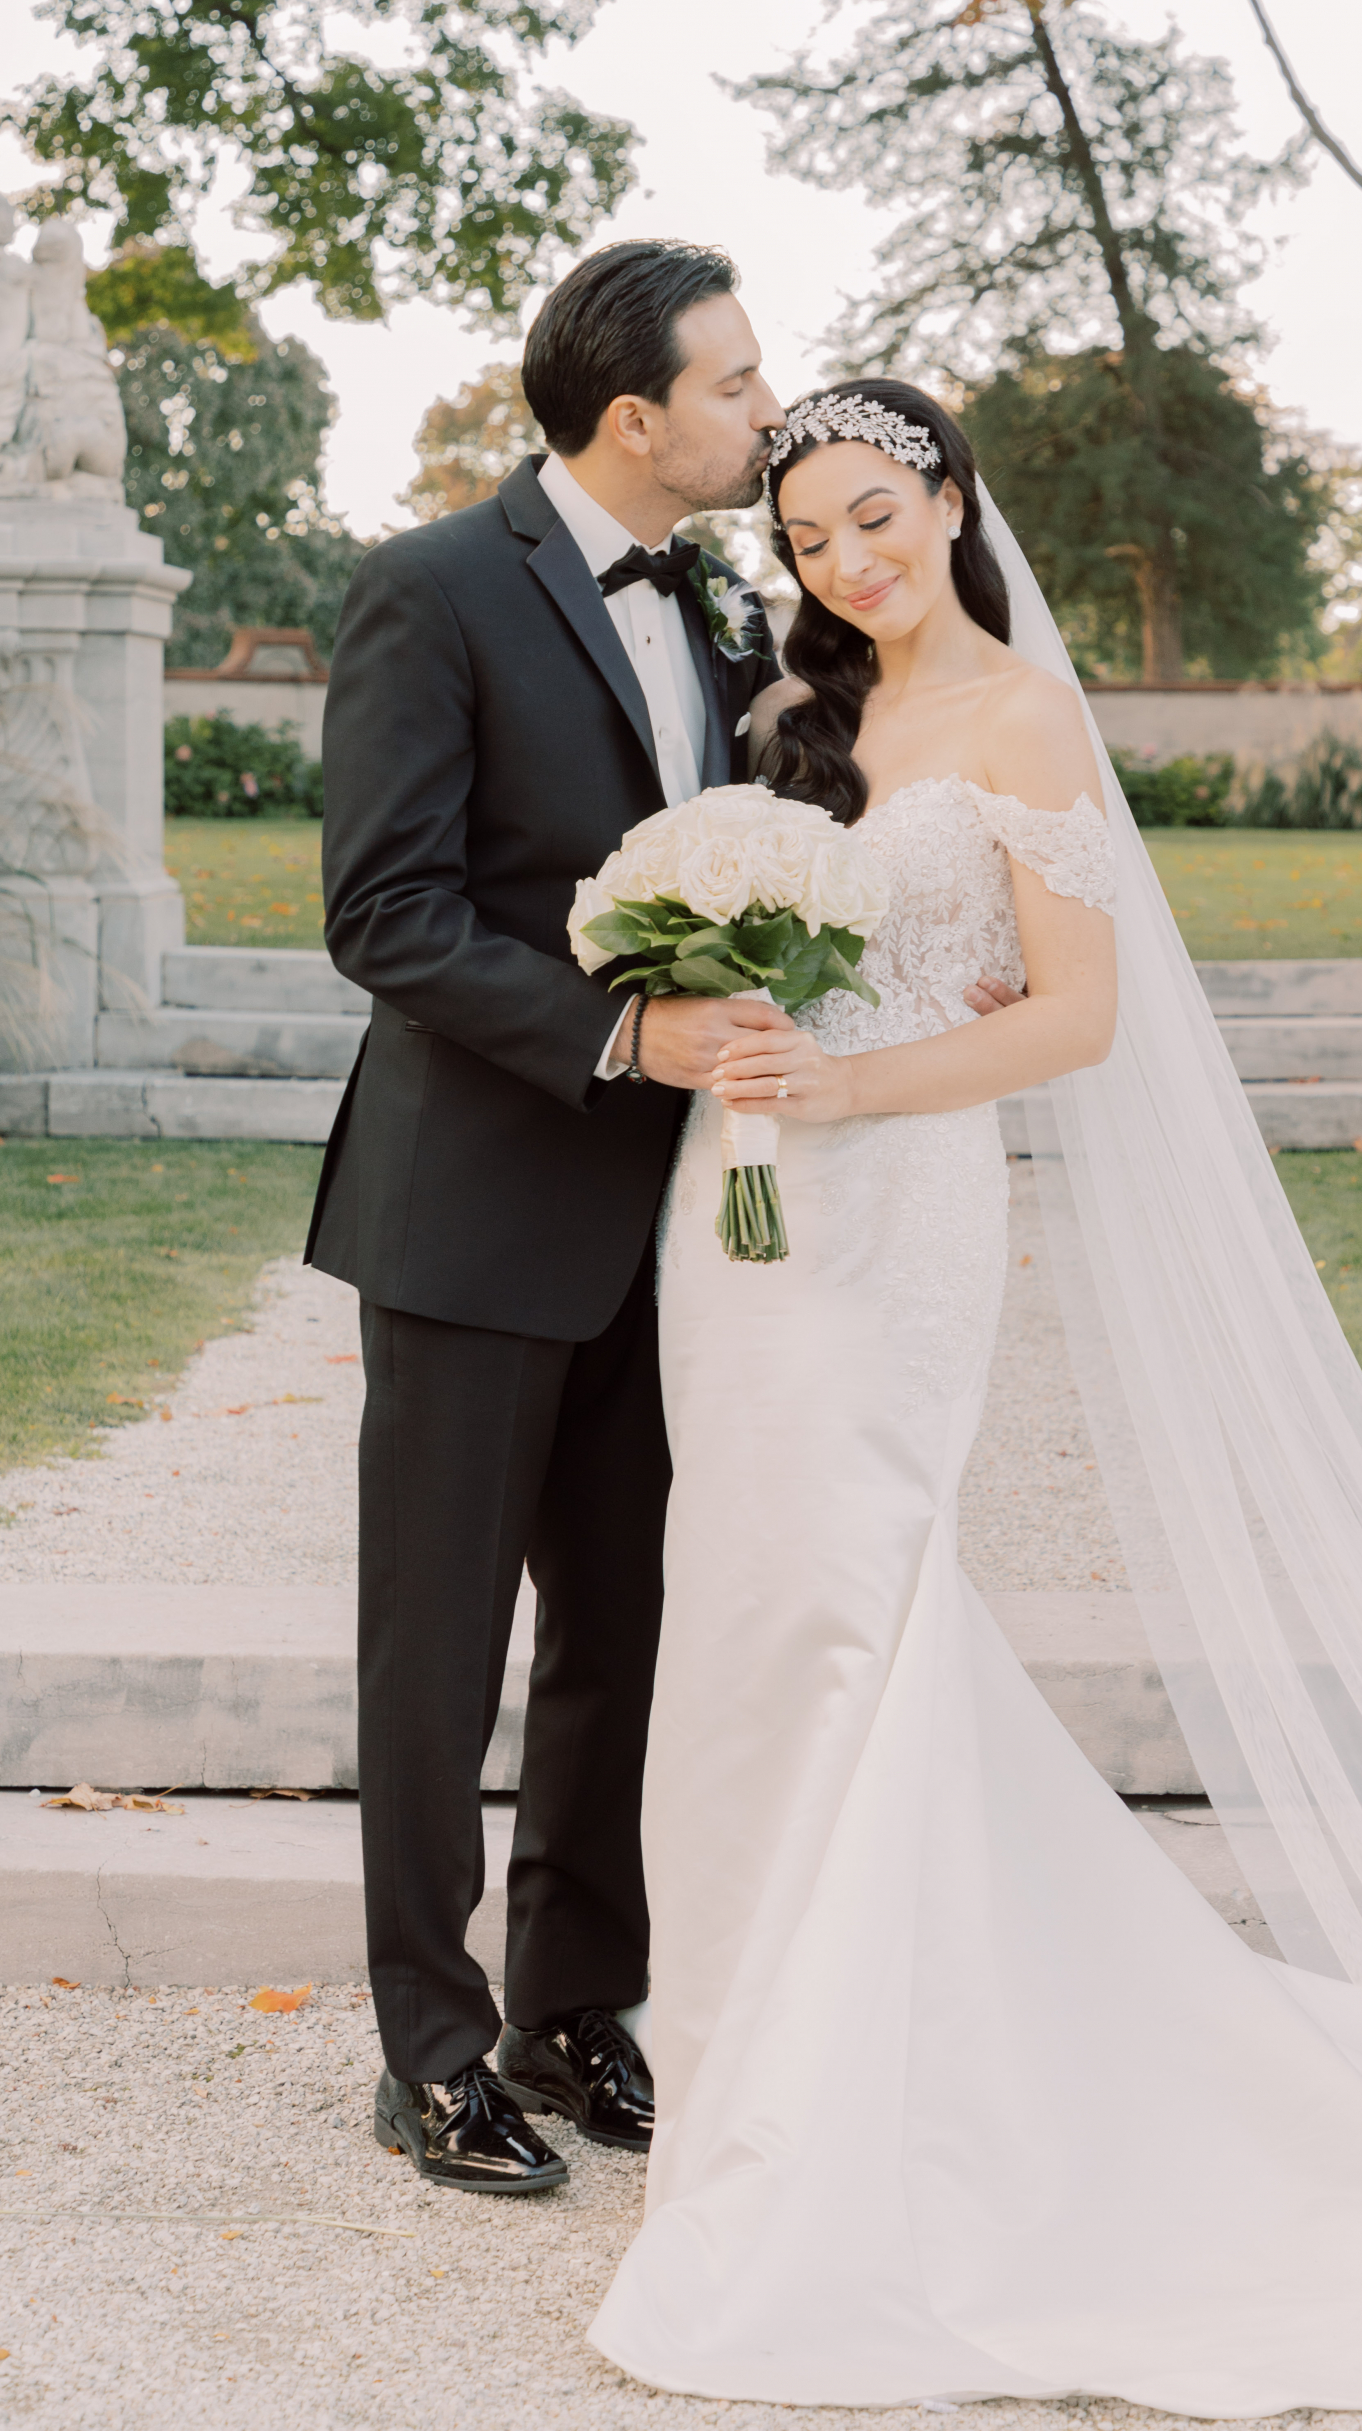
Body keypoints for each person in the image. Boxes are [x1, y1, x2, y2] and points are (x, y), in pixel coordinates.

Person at [587, 381, 1362, 2410]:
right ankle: (758, 2072)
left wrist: (853, 1077)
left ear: (948, 496)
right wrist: (718, 1003)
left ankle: (850, 2129)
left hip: (895, 1204)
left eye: (875, 514)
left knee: (852, 1616)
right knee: (745, 1627)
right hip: (735, 1214)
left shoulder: (1024, 715)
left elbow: (1077, 1017)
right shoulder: (794, 716)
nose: (848, 560)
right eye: (812, 538)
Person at [305, 240, 793, 2193]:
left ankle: (573, 2006)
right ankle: (428, 2051)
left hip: (675, 1228)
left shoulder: (730, 606)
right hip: (474, 1213)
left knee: (624, 1634)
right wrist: (621, 1034)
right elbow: (385, 912)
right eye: (738, 383)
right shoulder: (429, 591)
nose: (767, 409)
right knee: (437, 1653)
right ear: (637, 416)